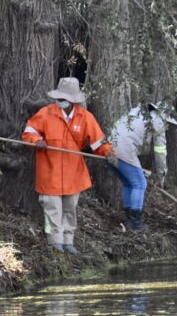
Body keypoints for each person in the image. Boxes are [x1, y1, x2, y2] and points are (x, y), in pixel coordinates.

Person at [22, 77, 117, 254]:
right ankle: (55, 242)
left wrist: (109, 153)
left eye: (64, 99)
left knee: (69, 209)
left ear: (73, 100)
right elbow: (29, 132)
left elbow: (98, 142)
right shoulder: (45, 113)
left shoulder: (85, 117)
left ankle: (68, 242)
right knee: (52, 208)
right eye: (59, 98)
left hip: (74, 173)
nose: (61, 102)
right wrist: (37, 141)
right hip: (49, 171)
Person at [109, 102, 177, 230]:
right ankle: (135, 222)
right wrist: (161, 174)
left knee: (129, 183)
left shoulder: (136, 111)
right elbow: (160, 151)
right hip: (125, 150)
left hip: (109, 149)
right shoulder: (158, 121)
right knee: (140, 184)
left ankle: (130, 219)